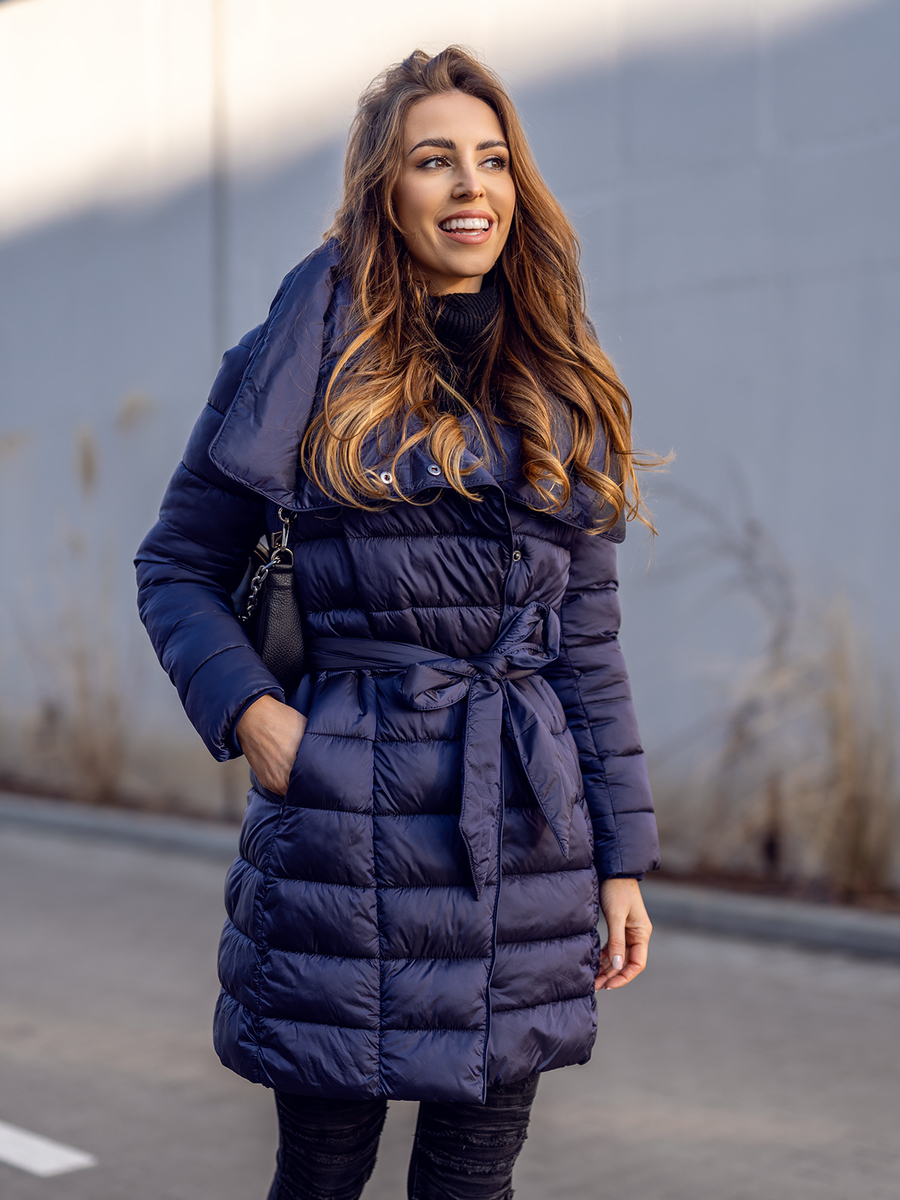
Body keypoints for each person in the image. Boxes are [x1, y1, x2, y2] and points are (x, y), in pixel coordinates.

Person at [136, 45, 660, 1200]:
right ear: (385, 188)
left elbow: (585, 648)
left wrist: (623, 859)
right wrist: (257, 716)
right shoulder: (300, 361)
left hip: (522, 838)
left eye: (493, 160)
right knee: (323, 1175)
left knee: (474, 1180)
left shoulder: (557, 379)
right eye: (436, 161)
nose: (472, 187)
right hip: (347, 825)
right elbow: (177, 565)